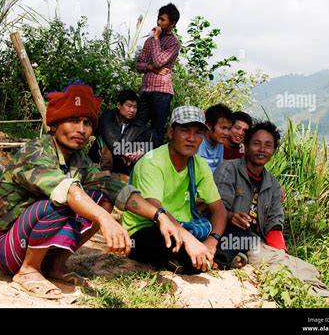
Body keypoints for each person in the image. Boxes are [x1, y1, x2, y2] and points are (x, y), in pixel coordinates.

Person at [0, 82, 182, 299]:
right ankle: (28, 270)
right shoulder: (35, 152)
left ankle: (54, 265)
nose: (81, 129)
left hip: (34, 239)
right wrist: (106, 220)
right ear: (55, 124)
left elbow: (114, 188)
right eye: (73, 120)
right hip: (7, 247)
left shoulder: (79, 159)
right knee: (60, 200)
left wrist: (160, 216)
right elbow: (68, 191)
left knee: (103, 196)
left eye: (87, 122)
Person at [214, 121, 329, 298]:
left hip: (257, 242)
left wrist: (280, 253)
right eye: (256, 143)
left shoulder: (273, 185)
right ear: (245, 147)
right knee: (281, 267)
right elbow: (217, 208)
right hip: (231, 235)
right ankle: (322, 299)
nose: (262, 149)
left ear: (274, 151)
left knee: (307, 269)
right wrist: (231, 216)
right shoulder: (229, 169)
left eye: (268, 145)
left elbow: (274, 224)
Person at [122, 105, 228, 274]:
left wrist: (212, 241)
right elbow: (155, 208)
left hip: (186, 225)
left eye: (198, 132)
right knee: (164, 241)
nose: (192, 138)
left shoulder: (199, 164)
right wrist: (189, 240)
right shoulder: (152, 162)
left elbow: (219, 209)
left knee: (237, 232)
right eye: (185, 130)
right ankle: (203, 259)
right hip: (149, 227)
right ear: (171, 132)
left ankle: (201, 256)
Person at [135, 3, 181, 148]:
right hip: (147, 90)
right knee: (136, 126)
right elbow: (139, 65)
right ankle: (131, 160)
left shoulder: (174, 43)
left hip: (162, 92)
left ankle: (155, 164)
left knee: (157, 131)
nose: (159, 22)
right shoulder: (148, 41)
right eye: (158, 19)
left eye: (163, 20)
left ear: (172, 23)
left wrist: (156, 38)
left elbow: (158, 60)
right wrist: (152, 69)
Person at [89, 89, 151, 176]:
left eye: (135, 107)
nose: (132, 110)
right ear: (119, 105)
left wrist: (139, 151)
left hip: (124, 163)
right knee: (105, 142)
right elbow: (110, 136)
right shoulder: (108, 116)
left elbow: (147, 142)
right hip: (101, 159)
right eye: (129, 106)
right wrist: (123, 151)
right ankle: (102, 177)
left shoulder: (140, 125)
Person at [197, 103, 233, 173]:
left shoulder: (219, 143)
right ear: (209, 125)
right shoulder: (197, 142)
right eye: (223, 128)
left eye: (229, 129)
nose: (226, 133)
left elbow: (218, 171)